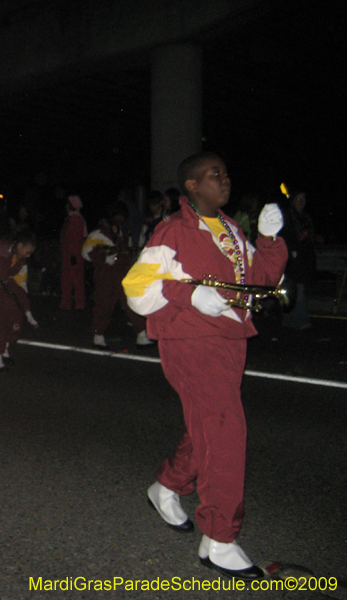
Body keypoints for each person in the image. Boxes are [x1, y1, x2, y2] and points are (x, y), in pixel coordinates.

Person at [122, 151, 287, 579]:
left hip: (231, 340)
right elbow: (137, 289)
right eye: (216, 175)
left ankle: (167, 485)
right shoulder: (173, 230)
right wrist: (189, 294)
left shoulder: (232, 229)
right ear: (193, 185)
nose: (225, 180)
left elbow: (260, 282)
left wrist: (270, 241)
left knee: (208, 427)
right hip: (190, 340)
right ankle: (220, 539)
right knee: (227, 429)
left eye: (227, 173)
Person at [82, 200, 150, 348]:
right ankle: (98, 336)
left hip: (123, 275)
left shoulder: (124, 234)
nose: (121, 219)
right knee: (104, 306)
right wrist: (108, 258)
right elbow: (87, 252)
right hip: (105, 276)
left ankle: (141, 335)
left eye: (123, 216)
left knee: (132, 304)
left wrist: (121, 256)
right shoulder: (99, 233)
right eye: (118, 215)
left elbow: (129, 253)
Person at [0, 229, 39, 370]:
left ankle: (4, 350)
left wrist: (27, 312)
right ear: (20, 246)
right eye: (27, 252)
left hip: (2, 289)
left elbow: (20, 287)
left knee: (13, 317)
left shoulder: (21, 262)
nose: (28, 256)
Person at [281, 189, 318, 329]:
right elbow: (285, 237)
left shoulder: (306, 217)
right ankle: (299, 320)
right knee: (296, 289)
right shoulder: (288, 216)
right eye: (299, 199)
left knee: (298, 289)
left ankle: (290, 320)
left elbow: (310, 235)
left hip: (304, 258)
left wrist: (314, 238)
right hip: (292, 258)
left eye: (304, 199)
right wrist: (298, 239)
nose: (301, 202)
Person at [59, 194, 88, 310]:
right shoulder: (71, 219)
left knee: (75, 279)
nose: (66, 206)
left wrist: (73, 254)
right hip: (70, 253)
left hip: (73, 254)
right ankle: (69, 303)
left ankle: (78, 303)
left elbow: (76, 239)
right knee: (69, 279)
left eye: (68, 204)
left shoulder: (76, 220)